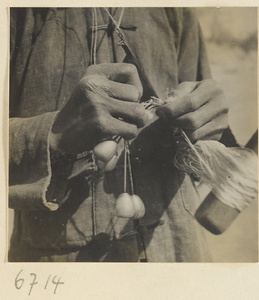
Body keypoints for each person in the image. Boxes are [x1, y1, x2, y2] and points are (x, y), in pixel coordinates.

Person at [9, 7, 231, 262]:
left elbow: (204, 129)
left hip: (180, 256)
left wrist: (207, 122)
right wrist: (56, 133)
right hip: (65, 269)